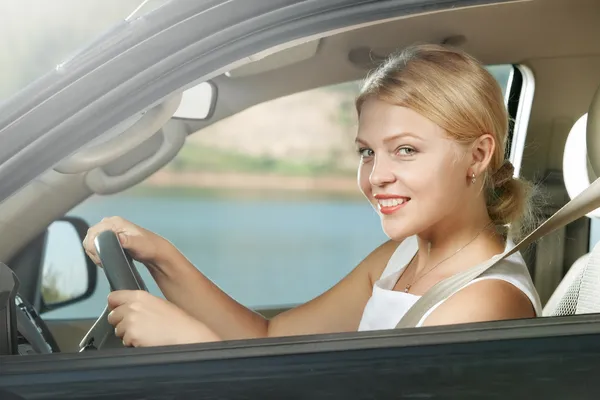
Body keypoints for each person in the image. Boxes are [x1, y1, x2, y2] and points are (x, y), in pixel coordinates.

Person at [83, 44, 542, 348]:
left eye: (405, 150)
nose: (377, 176)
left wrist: (190, 345)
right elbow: (270, 337)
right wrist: (162, 256)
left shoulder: (487, 302)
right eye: (367, 152)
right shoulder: (399, 258)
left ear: (478, 155)